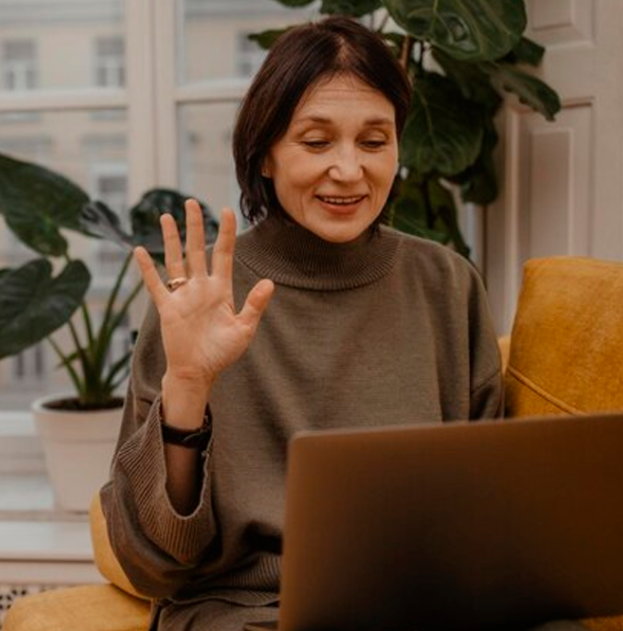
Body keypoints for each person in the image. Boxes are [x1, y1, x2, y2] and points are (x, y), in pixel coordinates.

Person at [101, 16, 583, 631]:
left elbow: (484, 511)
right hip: (253, 612)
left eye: (374, 141)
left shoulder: (446, 283)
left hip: (423, 601)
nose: (350, 170)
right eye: (317, 141)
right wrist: (188, 386)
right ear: (266, 156)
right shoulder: (197, 300)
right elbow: (153, 567)